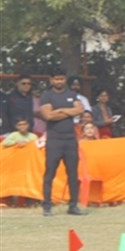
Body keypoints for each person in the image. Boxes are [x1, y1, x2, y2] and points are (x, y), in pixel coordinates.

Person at [38, 69, 86, 216]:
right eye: (56, 79)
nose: (59, 81)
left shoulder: (72, 94)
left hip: (70, 139)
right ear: (51, 80)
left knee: (73, 174)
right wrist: (69, 111)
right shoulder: (46, 95)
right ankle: (47, 206)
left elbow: (80, 109)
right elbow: (48, 116)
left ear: (65, 79)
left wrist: (59, 111)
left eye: (62, 79)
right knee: (50, 173)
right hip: (54, 139)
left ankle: (73, 205)